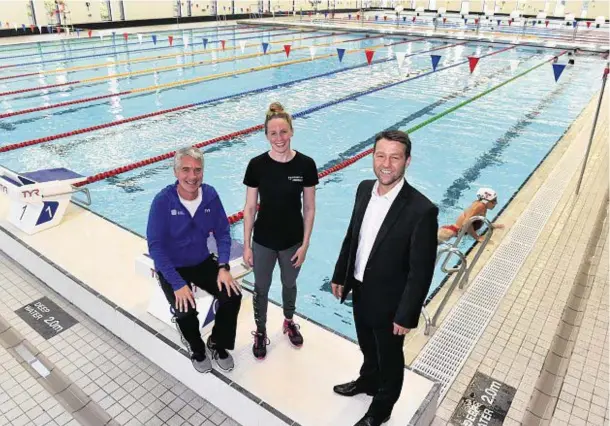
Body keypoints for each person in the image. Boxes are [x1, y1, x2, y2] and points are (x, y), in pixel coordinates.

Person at [330, 130, 438, 426]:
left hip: (392, 301)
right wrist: (342, 274)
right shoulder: (364, 189)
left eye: (395, 157)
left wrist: (406, 315)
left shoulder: (421, 210)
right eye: (380, 155)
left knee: (390, 357)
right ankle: (367, 381)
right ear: (372, 157)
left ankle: (382, 408)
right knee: (367, 343)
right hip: (361, 290)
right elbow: (353, 236)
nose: (386, 164)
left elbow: (421, 270)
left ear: (407, 161)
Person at [147, 146, 242, 373]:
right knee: (185, 308)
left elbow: (223, 233)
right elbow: (155, 247)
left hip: (201, 261)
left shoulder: (210, 196)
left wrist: (223, 266)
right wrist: (177, 284)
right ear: (176, 172)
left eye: (197, 170)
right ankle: (196, 345)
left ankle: (217, 343)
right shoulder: (163, 201)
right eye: (186, 170)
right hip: (173, 266)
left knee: (232, 295)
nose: (192, 176)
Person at [243, 102, 318, 360]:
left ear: (292, 131)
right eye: (273, 133)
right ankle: (261, 331)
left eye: (283, 132)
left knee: (289, 283)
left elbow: (309, 208)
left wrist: (305, 244)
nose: (279, 138)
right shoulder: (256, 165)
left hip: (292, 241)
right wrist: (246, 245)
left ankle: (288, 320)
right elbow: (250, 208)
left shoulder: (306, 165)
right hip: (263, 240)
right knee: (261, 288)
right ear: (266, 135)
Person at [437, 187, 504, 243]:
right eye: (494, 201)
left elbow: (479, 219)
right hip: (452, 232)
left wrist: (490, 225)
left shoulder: (483, 206)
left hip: (459, 231)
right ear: (485, 201)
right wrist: (477, 237)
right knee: (432, 244)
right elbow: (466, 223)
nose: (496, 203)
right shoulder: (479, 206)